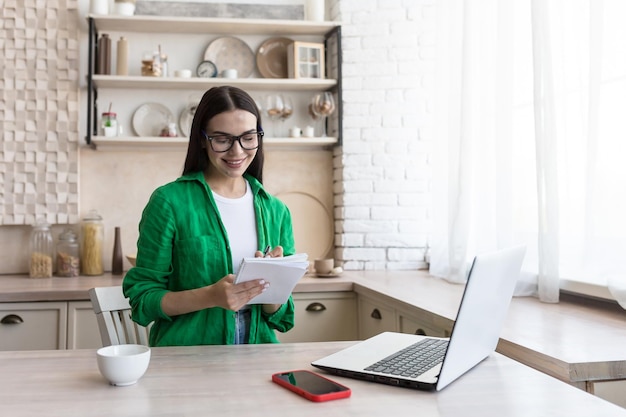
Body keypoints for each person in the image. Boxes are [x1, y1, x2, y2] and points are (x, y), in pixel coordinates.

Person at [123, 86, 296, 346]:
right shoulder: (169, 203)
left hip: (258, 357)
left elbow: (282, 318)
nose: (237, 152)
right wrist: (211, 296)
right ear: (202, 139)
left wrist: (270, 287)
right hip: (187, 360)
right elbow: (143, 300)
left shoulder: (276, 211)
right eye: (222, 139)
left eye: (248, 137)